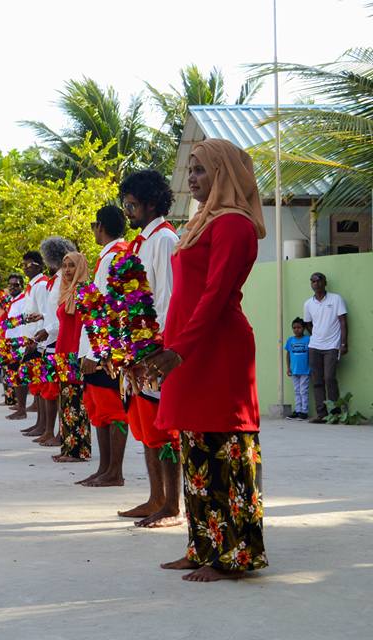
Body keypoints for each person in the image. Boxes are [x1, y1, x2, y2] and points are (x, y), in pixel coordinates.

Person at [144, 138, 268, 582]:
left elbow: (215, 298)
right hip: (189, 346)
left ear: (223, 174)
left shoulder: (233, 225)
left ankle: (233, 556)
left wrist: (179, 349)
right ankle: (201, 547)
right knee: (196, 449)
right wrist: (163, 343)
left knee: (224, 450)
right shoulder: (201, 222)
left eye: (200, 170)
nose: (191, 178)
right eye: (190, 170)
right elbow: (184, 297)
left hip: (218, 350)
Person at [118, 169, 183, 528]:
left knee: (164, 428)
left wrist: (157, 348)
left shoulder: (165, 240)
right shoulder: (143, 241)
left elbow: (169, 299)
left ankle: (172, 504)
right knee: (145, 426)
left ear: (151, 203)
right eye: (125, 204)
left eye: (132, 204)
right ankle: (155, 497)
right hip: (136, 348)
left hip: (154, 349)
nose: (128, 211)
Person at [77, 205, 130, 487]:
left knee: (113, 411)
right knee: (98, 410)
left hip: (106, 349)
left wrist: (95, 353)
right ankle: (105, 467)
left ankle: (114, 471)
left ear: (100, 226)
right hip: (99, 346)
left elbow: (107, 309)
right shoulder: (109, 256)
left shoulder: (114, 257)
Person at [24, 236, 74, 446]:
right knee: (46, 387)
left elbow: (63, 313)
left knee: (53, 390)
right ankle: (46, 429)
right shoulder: (55, 279)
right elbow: (51, 311)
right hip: (48, 337)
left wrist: (47, 328)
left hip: (56, 339)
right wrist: (43, 320)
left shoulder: (64, 279)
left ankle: (53, 431)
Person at [52, 252, 92, 463]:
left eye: (72, 266)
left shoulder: (84, 291)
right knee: (66, 401)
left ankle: (78, 451)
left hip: (75, 353)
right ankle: (68, 447)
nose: (67, 270)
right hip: (63, 352)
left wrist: (82, 355)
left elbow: (86, 325)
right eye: (65, 266)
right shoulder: (67, 291)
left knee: (77, 402)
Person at [303, 272, 348, 423]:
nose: (315, 283)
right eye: (312, 281)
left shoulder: (336, 299)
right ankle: (321, 414)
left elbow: (342, 322)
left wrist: (343, 343)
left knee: (329, 378)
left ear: (324, 282)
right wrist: (317, 334)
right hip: (314, 346)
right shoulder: (308, 304)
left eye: (318, 280)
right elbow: (308, 324)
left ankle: (335, 413)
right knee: (317, 381)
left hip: (332, 347)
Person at [20, 251, 52, 431]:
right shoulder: (32, 286)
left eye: (29, 264)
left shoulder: (41, 285)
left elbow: (44, 314)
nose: (25, 268)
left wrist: (35, 342)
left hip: (38, 342)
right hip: (30, 341)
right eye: (23, 265)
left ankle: (43, 426)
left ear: (39, 265)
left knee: (41, 386)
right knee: (36, 384)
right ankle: (39, 424)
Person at [3, 274, 29, 418]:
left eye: (16, 285)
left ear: (21, 286)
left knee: (21, 376)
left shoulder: (24, 300)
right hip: (11, 343)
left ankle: (22, 409)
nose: (12, 287)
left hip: (20, 344)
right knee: (14, 374)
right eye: (10, 285)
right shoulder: (13, 301)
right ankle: (20, 405)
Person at [285, 317, 311, 421]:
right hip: (294, 370)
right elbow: (288, 354)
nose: (296, 330)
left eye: (299, 327)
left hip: (305, 370)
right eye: (294, 328)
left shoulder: (308, 339)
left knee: (303, 390)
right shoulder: (290, 340)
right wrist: (288, 368)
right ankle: (297, 410)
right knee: (296, 391)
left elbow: (311, 354)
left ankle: (304, 411)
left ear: (303, 328)